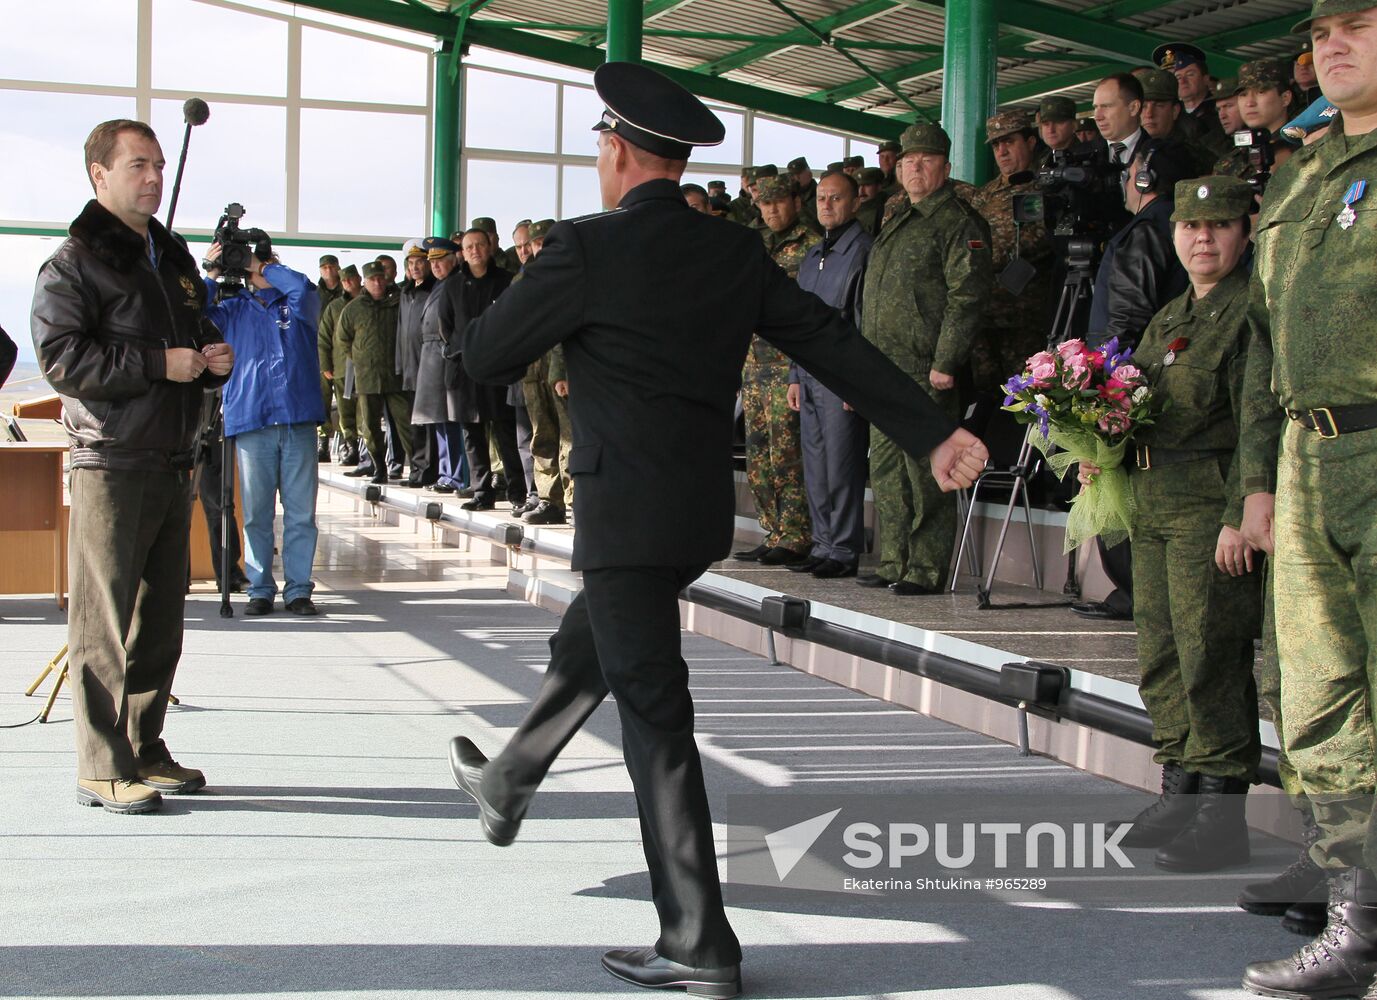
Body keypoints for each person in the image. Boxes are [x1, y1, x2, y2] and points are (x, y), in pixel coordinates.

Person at [446, 62, 988, 998]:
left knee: (655, 719)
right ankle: (508, 777)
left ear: (614, 152)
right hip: (696, 515)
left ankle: (697, 940)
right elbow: (832, 341)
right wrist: (931, 429)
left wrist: (543, 312)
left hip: (621, 515)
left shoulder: (581, 249)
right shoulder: (734, 254)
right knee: (603, 638)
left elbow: (486, 358)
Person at [31, 118, 234, 813]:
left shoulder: (171, 257)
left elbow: (193, 330)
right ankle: (100, 761)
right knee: (103, 622)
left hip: (174, 456)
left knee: (160, 619)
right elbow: (63, 361)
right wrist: (159, 364)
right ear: (100, 175)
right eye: (137, 165)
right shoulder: (74, 262)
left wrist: (210, 358)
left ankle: (145, 745)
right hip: (112, 461)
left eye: (158, 165)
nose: (152, 177)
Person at [1238, 2, 1377, 994]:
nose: (1333, 43)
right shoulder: (1300, 177)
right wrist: (1257, 480)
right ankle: (1356, 922)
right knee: (1319, 693)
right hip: (1305, 456)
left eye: (1362, 23)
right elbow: (1264, 343)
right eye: (1323, 29)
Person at [1080, 176, 1263, 871]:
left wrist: (1238, 513)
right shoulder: (1170, 313)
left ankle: (1221, 813)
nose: (1203, 239)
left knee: (1208, 656)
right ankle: (1180, 788)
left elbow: (1257, 420)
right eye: (1191, 228)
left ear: (1242, 232)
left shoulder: (1251, 312)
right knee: (1160, 655)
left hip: (1205, 507)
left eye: (1217, 226)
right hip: (1152, 502)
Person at [858, 122, 993, 595]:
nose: (916, 166)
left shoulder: (957, 222)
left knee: (928, 469)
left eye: (927, 159)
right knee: (888, 469)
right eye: (908, 160)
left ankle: (927, 568)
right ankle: (895, 560)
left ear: (945, 167)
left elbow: (968, 297)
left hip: (925, 368)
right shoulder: (898, 217)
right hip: (884, 368)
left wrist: (947, 360)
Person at [1073, 139, 1194, 623]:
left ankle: (1129, 590)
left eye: (1130, 175)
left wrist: (1105, 381)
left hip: (1134, 379)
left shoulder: (1146, 230)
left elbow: (1124, 317)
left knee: (1117, 484)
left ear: (1144, 179)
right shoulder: (1171, 226)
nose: (1125, 184)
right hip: (1166, 373)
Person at [202, 238, 324, 617]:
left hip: (298, 419)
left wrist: (262, 265)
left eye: (266, 262)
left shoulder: (297, 305)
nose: (255, 268)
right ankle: (260, 588)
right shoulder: (232, 309)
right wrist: (213, 272)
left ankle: (299, 589)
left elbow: (303, 286)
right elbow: (194, 314)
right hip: (251, 421)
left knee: (301, 513)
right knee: (256, 513)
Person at [788, 169, 872, 578]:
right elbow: (797, 321)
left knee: (842, 465)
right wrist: (792, 374)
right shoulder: (812, 255)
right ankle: (822, 543)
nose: (827, 205)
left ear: (855, 202)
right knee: (816, 464)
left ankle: (843, 548)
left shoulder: (862, 251)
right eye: (821, 198)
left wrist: (855, 381)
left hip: (839, 373)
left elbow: (860, 321)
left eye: (836, 198)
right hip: (807, 371)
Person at [732, 175, 818, 566]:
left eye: (779, 203)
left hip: (787, 365)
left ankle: (796, 534)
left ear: (796, 202)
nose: (772, 211)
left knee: (787, 455)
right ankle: (774, 529)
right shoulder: (753, 244)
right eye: (765, 205)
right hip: (752, 366)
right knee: (758, 455)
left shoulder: (812, 244)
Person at [968, 109, 1055, 425]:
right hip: (985, 314)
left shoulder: (1046, 184)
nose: (1001, 151)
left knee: (1029, 398)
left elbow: (1042, 238)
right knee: (988, 396)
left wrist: (982, 255)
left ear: (1030, 141)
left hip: (1024, 317)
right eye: (995, 145)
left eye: (1008, 142)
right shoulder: (986, 193)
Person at [441, 228, 524, 511]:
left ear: (490, 248)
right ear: (462, 253)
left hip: (499, 367)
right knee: (472, 433)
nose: (474, 250)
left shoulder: (505, 281)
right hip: (465, 368)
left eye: (479, 244)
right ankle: (481, 491)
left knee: (505, 429)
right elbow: (446, 326)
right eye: (468, 246)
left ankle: (517, 491)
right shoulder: (452, 285)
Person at [338, 260, 413, 486]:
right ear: (365, 282)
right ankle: (379, 466)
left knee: (406, 422)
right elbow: (343, 339)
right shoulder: (354, 308)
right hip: (367, 376)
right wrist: (361, 357)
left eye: (380, 278)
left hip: (395, 374)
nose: (378, 283)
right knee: (370, 426)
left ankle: (417, 468)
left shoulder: (399, 302)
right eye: (372, 279)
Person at [411, 238, 468, 495]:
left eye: (440, 260)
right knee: (438, 420)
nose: (434, 266)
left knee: (449, 418)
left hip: (445, 356)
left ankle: (455, 475)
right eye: (432, 261)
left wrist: (450, 350)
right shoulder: (440, 285)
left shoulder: (456, 283)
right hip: (431, 357)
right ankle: (447, 472)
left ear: (454, 259)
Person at [1216, 59, 1299, 184]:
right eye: (1243, 94)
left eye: (1261, 92)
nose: (1250, 103)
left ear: (1285, 98)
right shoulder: (1231, 160)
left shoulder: (1304, 148)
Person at [398, 242, 437, 487]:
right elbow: (401, 331)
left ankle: (428, 471)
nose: (415, 267)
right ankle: (416, 469)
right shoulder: (406, 293)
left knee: (428, 424)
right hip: (410, 367)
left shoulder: (433, 291)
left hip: (428, 367)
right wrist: (399, 365)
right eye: (411, 264)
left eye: (419, 262)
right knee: (414, 424)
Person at [320, 264, 361, 467]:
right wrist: (325, 365)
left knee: (365, 410)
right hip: (342, 367)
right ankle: (350, 445)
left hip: (367, 368)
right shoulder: (334, 307)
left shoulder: (370, 303)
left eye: (351, 279)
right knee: (345, 409)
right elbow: (324, 338)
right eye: (344, 280)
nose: (348, 283)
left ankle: (365, 449)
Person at [1154, 41, 1224, 136]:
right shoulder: (1172, 113)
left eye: (1190, 74)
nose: (1182, 81)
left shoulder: (1220, 109)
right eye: (1178, 77)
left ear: (1206, 79)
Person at [315, 253, 343, 461]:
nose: (328, 271)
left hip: (344, 356)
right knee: (321, 401)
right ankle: (323, 442)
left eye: (331, 267)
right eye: (324, 267)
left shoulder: (349, 292)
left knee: (346, 402)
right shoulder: (315, 295)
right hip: (320, 355)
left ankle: (346, 443)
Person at [1038, 96, 1080, 160]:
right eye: (1046, 124)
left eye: (1058, 122)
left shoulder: (1090, 156)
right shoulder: (1043, 160)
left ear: (1074, 125)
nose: (1051, 130)